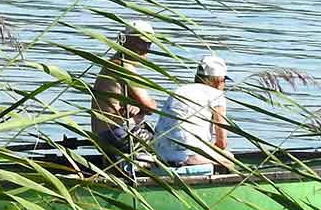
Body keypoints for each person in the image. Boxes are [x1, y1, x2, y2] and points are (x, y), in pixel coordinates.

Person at [152, 54, 233, 175]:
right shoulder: (216, 95)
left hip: (160, 155)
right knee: (229, 159)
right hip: (188, 157)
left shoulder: (179, 90)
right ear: (219, 81)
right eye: (225, 81)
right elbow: (222, 143)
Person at [89, 20, 158, 160]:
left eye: (149, 43)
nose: (147, 48)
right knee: (164, 144)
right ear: (126, 41)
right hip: (116, 133)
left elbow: (138, 104)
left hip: (103, 134)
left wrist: (138, 106)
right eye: (142, 42)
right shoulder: (123, 66)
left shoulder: (113, 62)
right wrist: (143, 106)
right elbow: (150, 106)